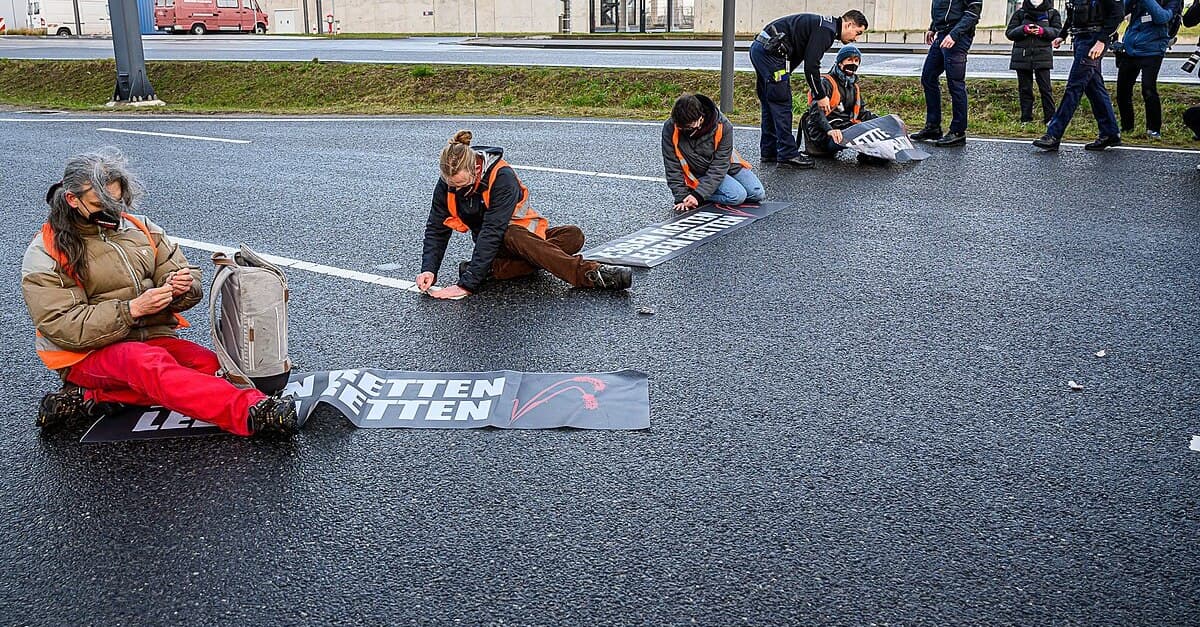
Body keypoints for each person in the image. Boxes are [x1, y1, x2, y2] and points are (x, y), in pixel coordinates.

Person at [22, 148, 297, 437]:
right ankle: (253, 413)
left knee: (213, 368)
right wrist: (132, 310)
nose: (113, 212)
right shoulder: (45, 252)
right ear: (72, 199)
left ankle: (90, 398)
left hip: (152, 338)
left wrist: (180, 286)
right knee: (148, 366)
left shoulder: (140, 228)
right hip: (85, 355)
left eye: (117, 202)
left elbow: (183, 272)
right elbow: (62, 325)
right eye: (100, 204)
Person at [418, 130, 631, 299]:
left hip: (514, 236)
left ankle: (496, 270)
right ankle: (588, 274)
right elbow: (437, 227)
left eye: (462, 184)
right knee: (512, 234)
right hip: (499, 241)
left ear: (475, 168)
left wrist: (468, 280)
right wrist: (429, 270)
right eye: (451, 184)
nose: (456, 189)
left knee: (573, 235)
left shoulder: (502, 177)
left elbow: (493, 228)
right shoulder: (448, 183)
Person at [749, 10, 870, 169]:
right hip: (771, 53)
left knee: (769, 102)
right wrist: (820, 95)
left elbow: (800, 52)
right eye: (857, 32)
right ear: (848, 24)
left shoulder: (824, 25)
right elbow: (811, 66)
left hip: (763, 49)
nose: (856, 38)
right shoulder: (827, 31)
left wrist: (785, 76)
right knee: (781, 103)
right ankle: (787, 154)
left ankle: (769, 151)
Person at [1033, 0, 1126, 151]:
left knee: (1074, 87)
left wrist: (1102, 41)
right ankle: (1110, 133)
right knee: (1094, 87)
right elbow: (1073, 12)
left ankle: (1053, 134)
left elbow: (1117, 14)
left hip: (1094, 39)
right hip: (1080, 38)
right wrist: (1062, 35)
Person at [662, 93, 766, 211]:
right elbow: (672, 165)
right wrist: (682, 197)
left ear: (700, 118)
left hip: (724, 166)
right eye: (679, 126)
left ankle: (698, 192)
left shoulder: (724, 126)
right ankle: (693, 193)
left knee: (757, 193)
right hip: (699, 171)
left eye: (687, 127)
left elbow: (719, 165)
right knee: (737, 196)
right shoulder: (671, 127)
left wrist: (698, 195)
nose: (682, 129)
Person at [911, 0, 985, 147]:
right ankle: (933, 127)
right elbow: (941, 7)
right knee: (928, 77)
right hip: (942, 34)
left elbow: (973, 13)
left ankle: (958, 132)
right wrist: (933, 27)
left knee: (955, 83)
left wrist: (954, 35)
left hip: (958, 36)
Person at [798, 45, 886, 164]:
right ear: (840, 63)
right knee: (859, 133)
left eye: (856, 61)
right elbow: (816, 113)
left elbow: (862, 113)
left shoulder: (853, 87)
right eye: (849, 60)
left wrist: (883, 122)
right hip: (823, 135)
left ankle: (871, 154)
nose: (853, 64)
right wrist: (830, 130)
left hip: (844, 129)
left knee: (874, 131)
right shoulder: (826, 83)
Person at [1116, 0, 1183, 139]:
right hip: (1130, 48)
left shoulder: (1173, 1)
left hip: (1153, 50)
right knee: (1122, 90)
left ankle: (1153, 129)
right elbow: (1120, 12)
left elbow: (1162, 17)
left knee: (1148, 89)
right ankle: (1127, 127)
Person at [1006, 0, 1063, 125]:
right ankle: (1026, 118)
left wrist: (1043, 31)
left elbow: (1058, 31)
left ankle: (1050, 118)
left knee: (1046, 89)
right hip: (1022, 55)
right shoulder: (1020, 13)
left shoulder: (1052, 13)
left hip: (1043, 55)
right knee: (1025, 89)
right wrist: (1024, 29)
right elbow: (1009, 33)